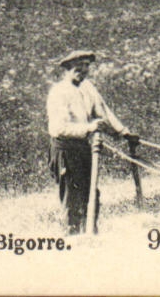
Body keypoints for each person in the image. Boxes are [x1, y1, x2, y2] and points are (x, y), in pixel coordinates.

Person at [46, 50, 132, 234]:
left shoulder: (88, 88)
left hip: (84, 148)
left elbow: (104, 112)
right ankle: (72, 236)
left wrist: (123, 132)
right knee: (72, 197)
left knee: (92, 193)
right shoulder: (58, 92)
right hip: (65, 149)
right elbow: (59, 128)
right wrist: (89, 128)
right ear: (68, 68)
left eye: (86, 66)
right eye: (78, 66)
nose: (82, 70)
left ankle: (91, 232)